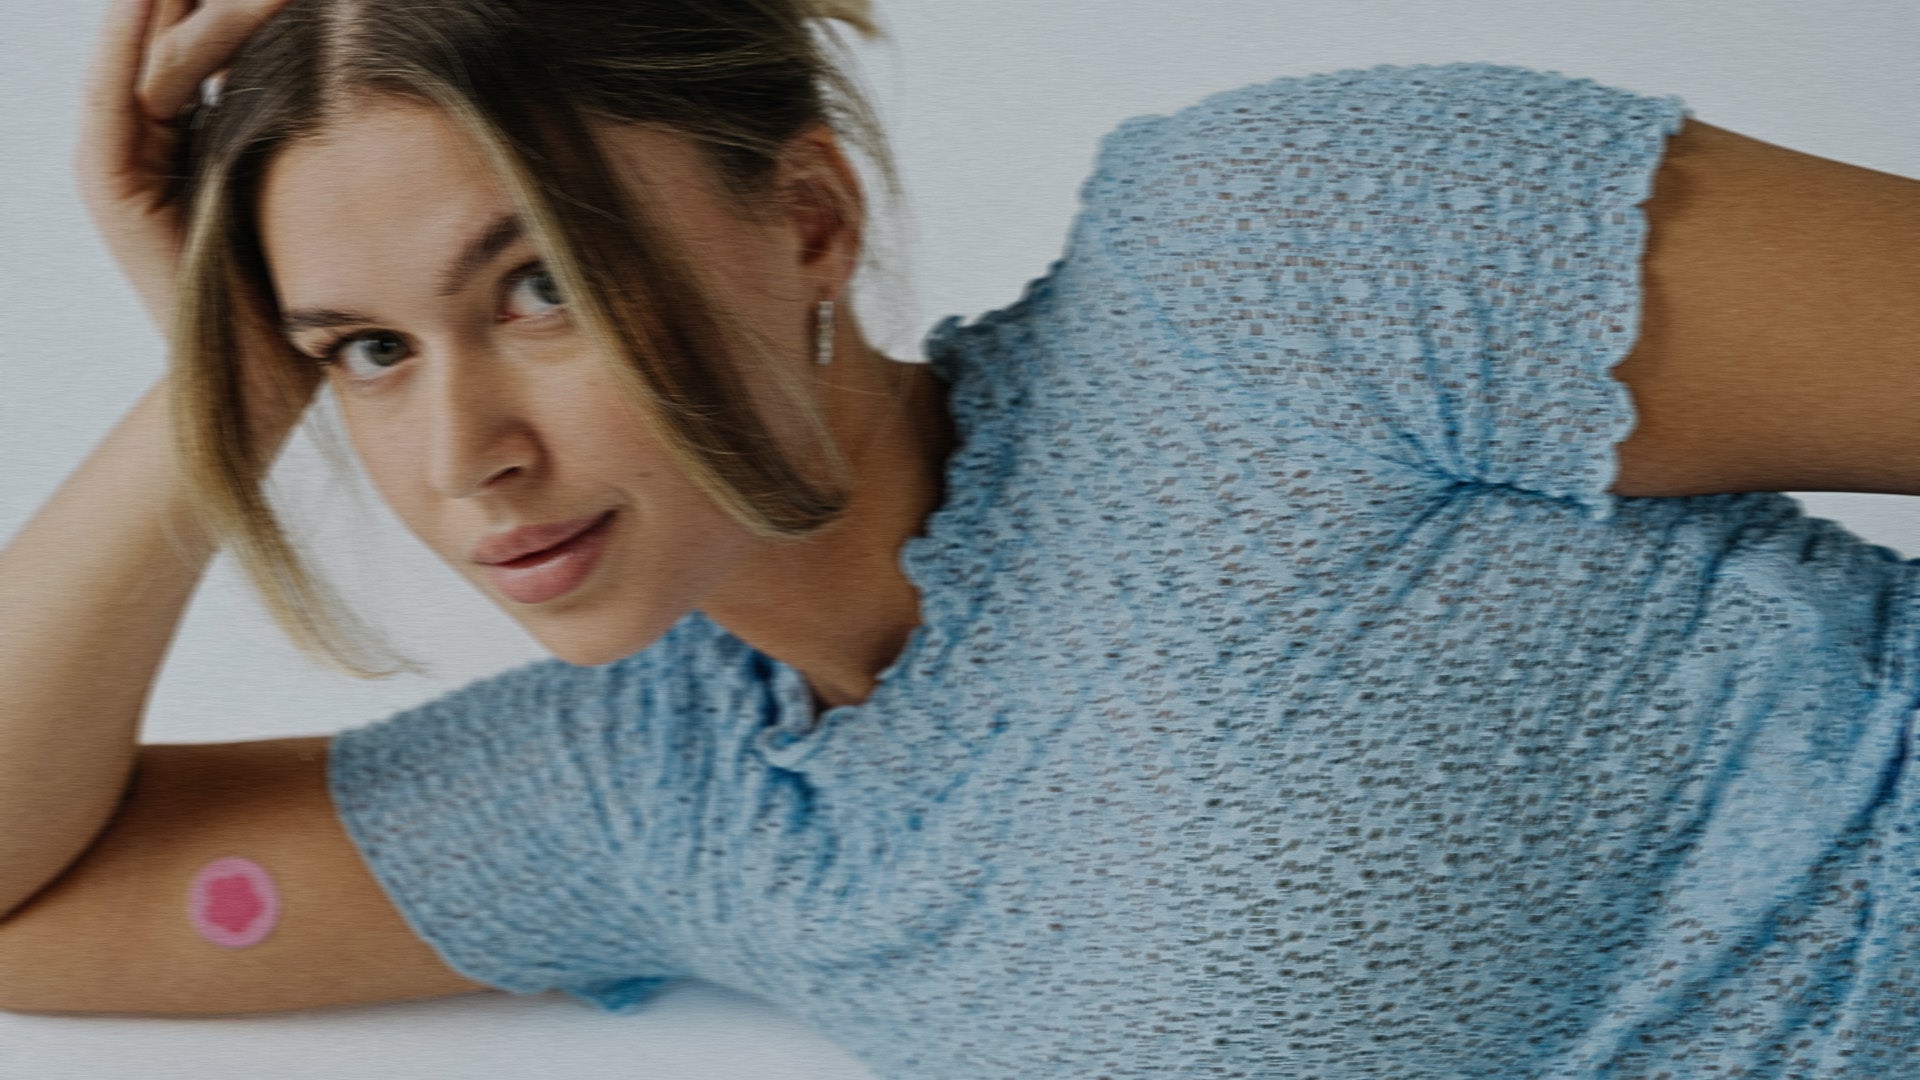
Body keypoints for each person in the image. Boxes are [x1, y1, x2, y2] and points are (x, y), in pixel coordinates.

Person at [2, 0, 1918, 1075]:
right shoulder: (657, 799)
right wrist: (208, 394)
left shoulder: (1276, 270)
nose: (465, 455)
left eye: (540, 288)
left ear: (808, 219)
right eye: (360, 350)